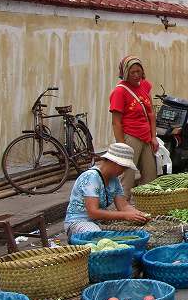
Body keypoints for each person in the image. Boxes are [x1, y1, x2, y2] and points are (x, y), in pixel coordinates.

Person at [64, 143, 148, 237]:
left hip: (98, 222)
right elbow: (93, 212)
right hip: (79, 222)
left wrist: (139, 215)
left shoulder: (114, 180)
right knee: (99, 237)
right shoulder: (91, 177)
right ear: (113, 161)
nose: (123, 171)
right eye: (122, 167)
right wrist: (125, 215)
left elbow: (123, 206)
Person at [110, 56, 158, 195]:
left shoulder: (145, 85)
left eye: (139, 71)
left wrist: (153, 137)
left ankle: (145, 205)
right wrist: (122, 145)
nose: (137, 75)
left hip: (146, 137)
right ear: (125, 73)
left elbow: (150, 113)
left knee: (150, 176)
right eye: (132, 73)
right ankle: (123, 205)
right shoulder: (120, 91)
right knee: (127, 175)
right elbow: (116, 122)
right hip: (131, 137)